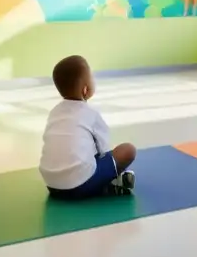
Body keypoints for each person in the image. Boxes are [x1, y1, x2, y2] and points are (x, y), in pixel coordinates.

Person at [39, 55, 137, 198]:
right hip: (80, 186)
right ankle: (112, 181)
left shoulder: (54, 112)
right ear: (85, 90)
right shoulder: (90, 113)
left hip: (52, 185)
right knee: (128, 150)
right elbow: (103, 149)